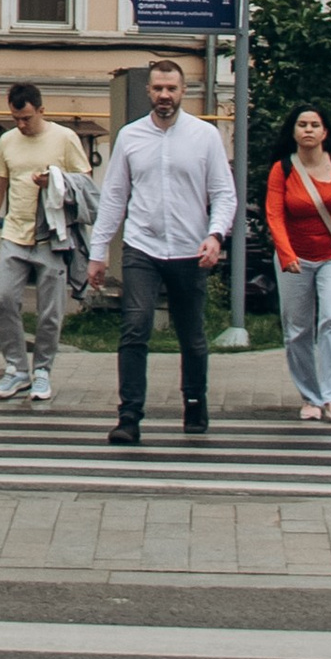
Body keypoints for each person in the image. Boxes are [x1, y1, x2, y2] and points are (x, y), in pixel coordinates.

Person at [85, 55, 237, 445]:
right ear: (149, 92)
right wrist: (98, 252)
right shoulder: (131, 137)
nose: (164, 95)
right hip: (143, 247)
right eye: (158, 89)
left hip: (190, 249)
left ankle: (194, 401)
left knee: (192, 334)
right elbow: (115, 197)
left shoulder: (204, 137)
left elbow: (223, 193)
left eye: (171, 89)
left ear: (184, 91)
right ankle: (130, 415)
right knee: (135, 328)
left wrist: (215, 234)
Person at [0, 80, 90, 403]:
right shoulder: (8, 141)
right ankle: (16, 369)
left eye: (27, 118)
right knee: (3, 301)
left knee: (50, 310)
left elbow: (84, 181)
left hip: (51, 236)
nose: (21, 125)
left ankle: (42, 371)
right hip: (14, 232)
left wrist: (55, 179)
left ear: (41, 110)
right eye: (16, 118)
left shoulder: (65, 138)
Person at [265, 104, 331, 421]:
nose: (308, 130)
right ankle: (311, 398)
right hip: (295, 259)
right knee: (298, 330)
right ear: (293, 131)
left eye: (315, 125)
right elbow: (274, 214)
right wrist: (286, 254)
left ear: (325, 132)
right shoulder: (283, 169)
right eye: (302, 124)